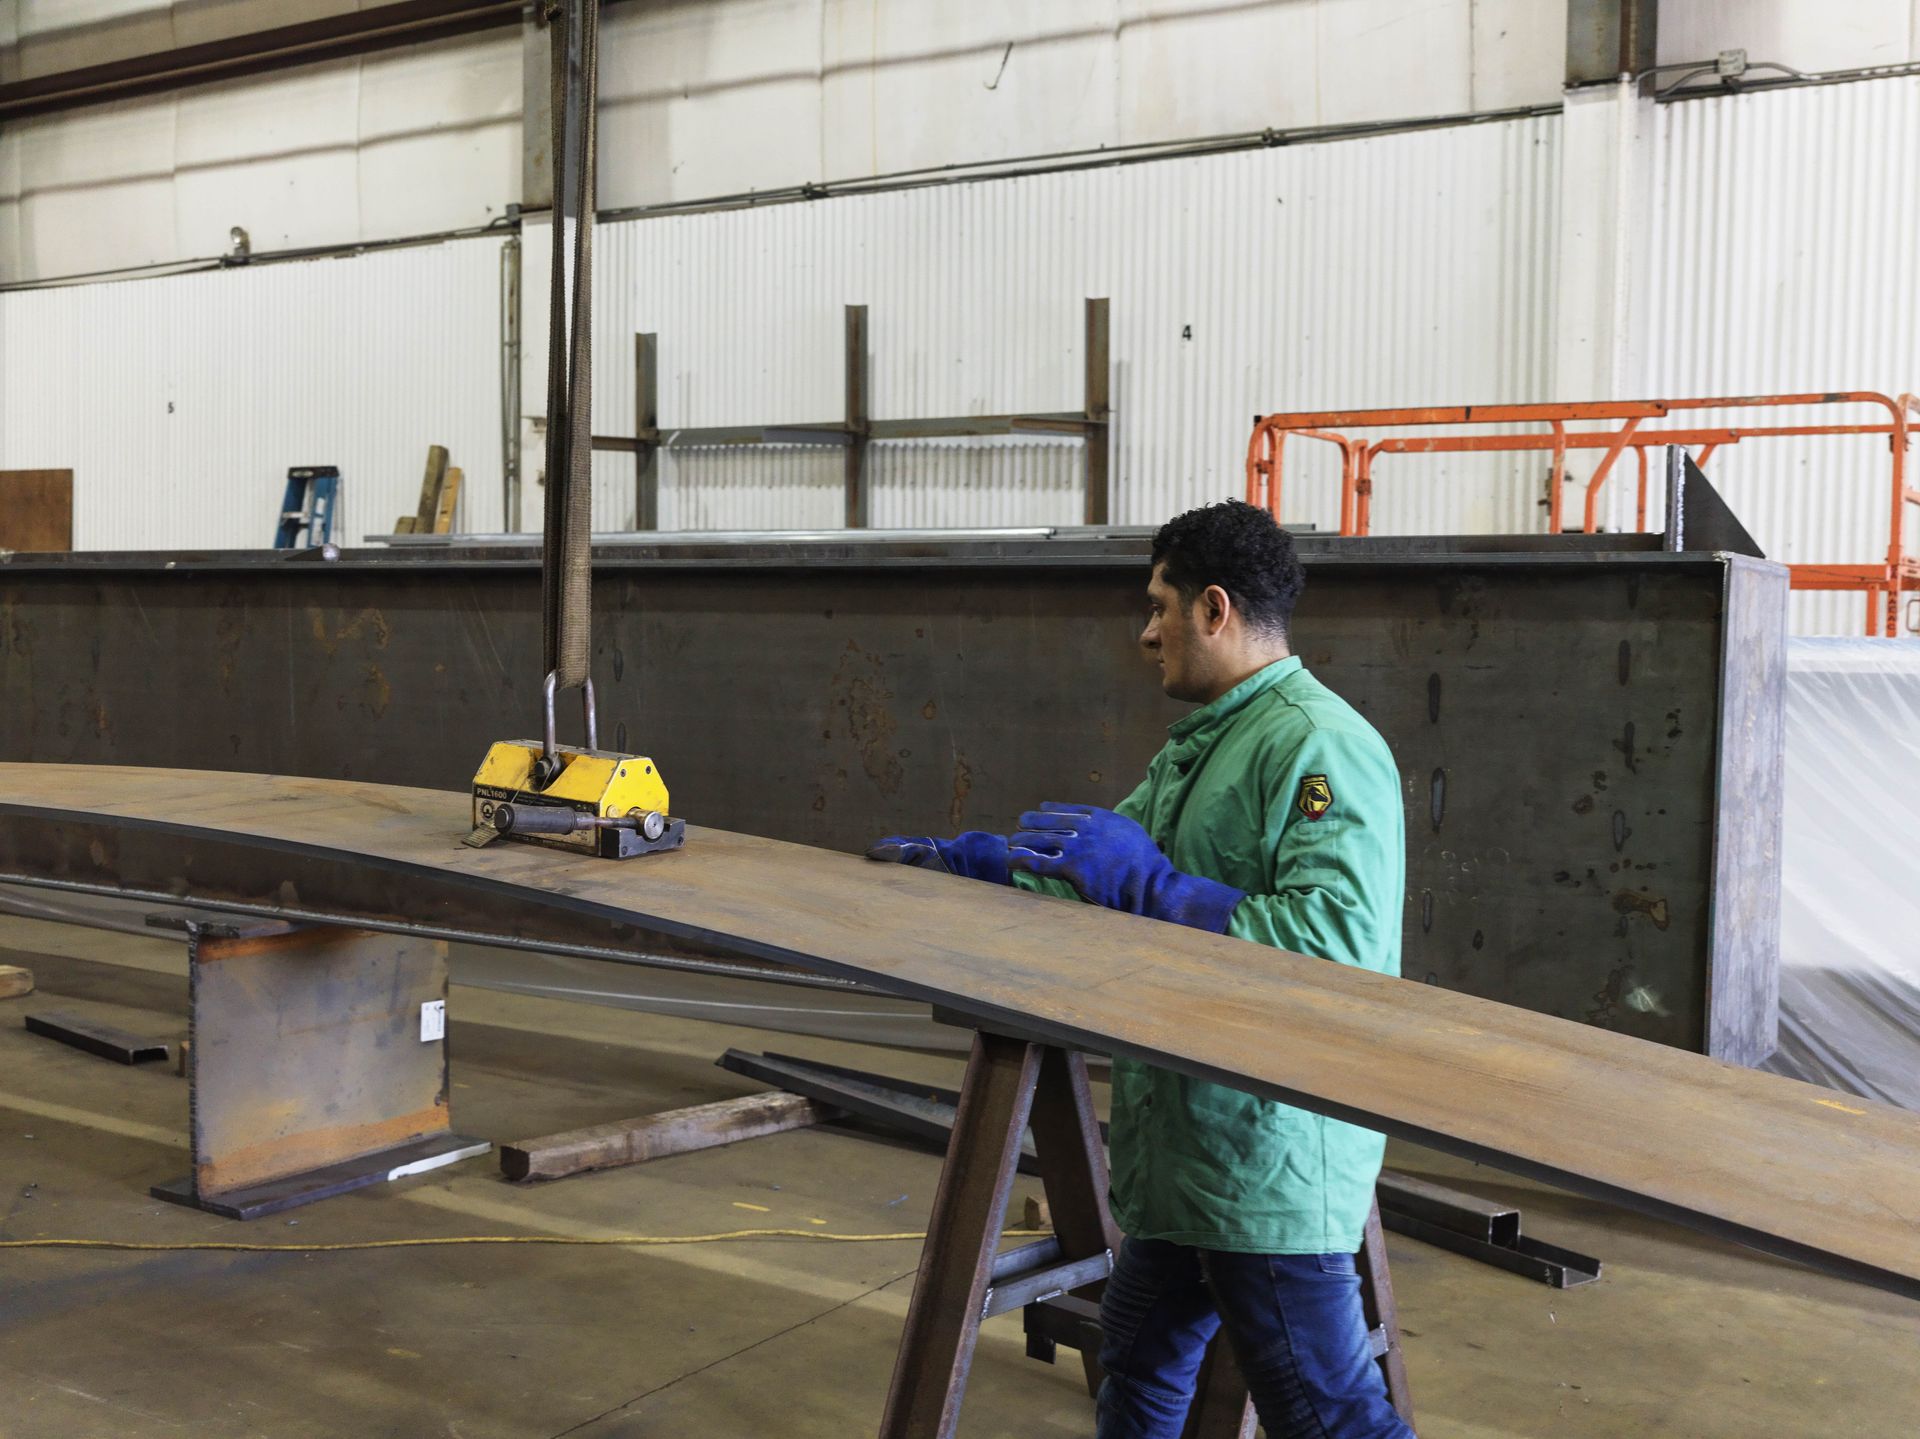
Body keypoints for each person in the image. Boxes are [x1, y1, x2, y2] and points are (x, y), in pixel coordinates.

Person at [868, 499, 1412, 1439]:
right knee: (1140, 1362)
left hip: (1263, 1162)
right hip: (1183, 1156)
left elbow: (1334, 947)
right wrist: (986, 867)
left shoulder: (1317, 745)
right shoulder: (1202, 746)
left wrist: (1162, 889)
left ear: (1214, 609)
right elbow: (1101, 887)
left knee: (1325, 1415)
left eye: (1159, 607)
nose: (1146, 631)